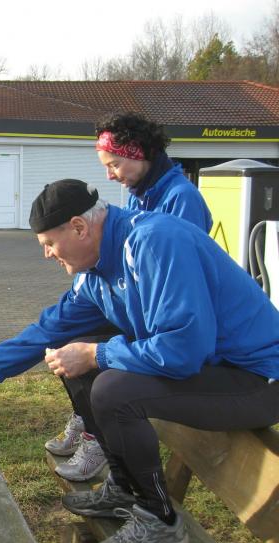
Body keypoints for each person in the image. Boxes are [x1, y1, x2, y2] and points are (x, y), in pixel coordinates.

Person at [0, 179, 279, 543]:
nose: (47, 255)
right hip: (211, 370)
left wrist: (98, 354)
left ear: (79, 227)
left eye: (49, 244)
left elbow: (183, 350)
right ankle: (124, 487)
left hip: (257, 379)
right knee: (71, 355)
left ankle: (159, 520)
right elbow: (48, 330)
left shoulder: (155, 241)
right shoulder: (97, 270)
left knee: (112, 387)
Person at [45, 112, 215, 481]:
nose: (110, 175)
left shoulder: (180, 198)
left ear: (139, 153)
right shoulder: (140, 196)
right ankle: (88, 421)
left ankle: (99, 437)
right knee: (71, 343)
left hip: (169, 324)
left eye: (114, 164)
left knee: (93, 358)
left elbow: (178, 277)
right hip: (141, 313)